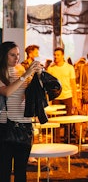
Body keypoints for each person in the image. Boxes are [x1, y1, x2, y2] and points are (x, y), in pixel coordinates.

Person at [0, 41, 41, 182]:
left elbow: (30, 92)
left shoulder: (20, 69)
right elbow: (7, 92)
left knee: (21, 171)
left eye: (18, 54)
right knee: (4, 171)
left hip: (25, 126)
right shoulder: (1, 72)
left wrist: (38, 76)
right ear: (4, 55)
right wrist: (26, 74)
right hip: (5, 126)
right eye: (12, 55)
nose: (16, 58)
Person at [47, 47, 78, 142]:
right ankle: (56, 140)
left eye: (58, 55)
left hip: (67, 96)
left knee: (67, 120)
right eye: (54, 55)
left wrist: (75, 99)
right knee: (56, 120)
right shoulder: (51, 69)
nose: (55, 57)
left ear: (62, 55)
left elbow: (73, 84)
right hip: (56, 97)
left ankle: (67, 139)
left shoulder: (69, 68)